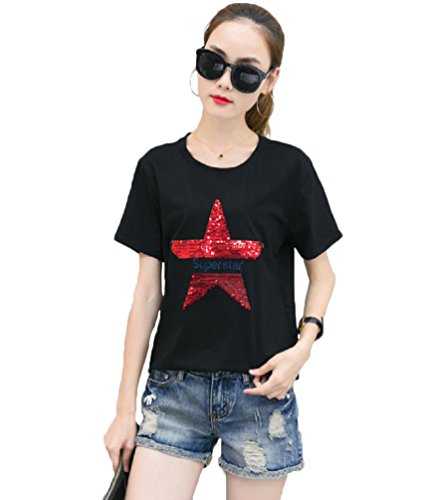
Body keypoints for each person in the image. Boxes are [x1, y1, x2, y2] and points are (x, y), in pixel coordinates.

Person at [104, 3, 343, 499]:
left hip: (262, 390)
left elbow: (322, 274)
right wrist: (124, 410)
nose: (224, 82)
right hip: (173, 389)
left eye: (246, 72)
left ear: (270, 81)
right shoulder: (157, 169)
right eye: (213, 63)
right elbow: (146, 295)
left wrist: (302, 348)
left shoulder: (290, 170)